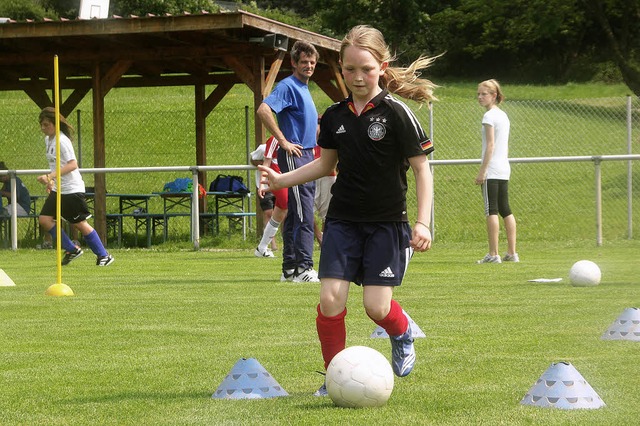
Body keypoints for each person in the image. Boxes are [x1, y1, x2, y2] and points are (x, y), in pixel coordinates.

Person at [259, 25, 436, 396]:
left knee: (376, 308)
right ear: (340, 67)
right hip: (342, 220)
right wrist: (280, 182)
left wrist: (422, 223)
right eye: (350, 69)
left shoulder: (397, 113)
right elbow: (324, 166)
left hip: (387, 224)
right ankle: (333, 375)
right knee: (329, 298)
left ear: (382, 67)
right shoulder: (335, 116)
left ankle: (402, 332)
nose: (357, 77)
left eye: (366, 69)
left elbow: (422, 169)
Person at [256, 40, 320, 283]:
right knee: (303, 211)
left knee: (295, 212)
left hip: (307, 154)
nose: (309, 66)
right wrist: (283, 141)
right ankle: (304, 267)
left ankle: (290, 269)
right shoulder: (288, 86)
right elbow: (264, 110)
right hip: (295, 154)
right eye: (304, 62)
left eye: (312, 62)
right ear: (294, 63)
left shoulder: (303, 88)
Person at [36, 107, 114, 266]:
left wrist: (50, 176)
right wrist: (51, 182)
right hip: (59, 189)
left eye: (46, 125)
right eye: (42, 125)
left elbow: (72, 165)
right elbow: (56, 165)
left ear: (55, 124)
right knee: (44, 219)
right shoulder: (48, 140)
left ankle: (104, 255)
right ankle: (72, 249)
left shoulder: (61, 140)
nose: (43, 128)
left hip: (71, 189)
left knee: (79, 224)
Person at [475, 79, 518, 264]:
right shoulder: (503, 115)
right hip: (503, 169)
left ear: (494, 96)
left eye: (484, 94)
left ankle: (493, 254)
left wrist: (482, 171)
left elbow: (490, 146)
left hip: (492, 170)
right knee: (505, 209)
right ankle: (511, 253)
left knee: (491, 210)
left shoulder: (489, 117)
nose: (480, 97)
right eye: (478, 94)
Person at [250, 137, 288, 257]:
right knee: (283, 206)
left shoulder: (300, 136)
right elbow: (265, 162)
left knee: (281, 211)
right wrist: (262, 183)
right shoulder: (274, 140)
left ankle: (262, 247)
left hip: (291, 177)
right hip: (278, 180)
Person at [312, 144, 336, 245]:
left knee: (328, 213)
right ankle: (320, 237)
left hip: (329, 176)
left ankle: (327, 242)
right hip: (311, 175)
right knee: (307, 209)